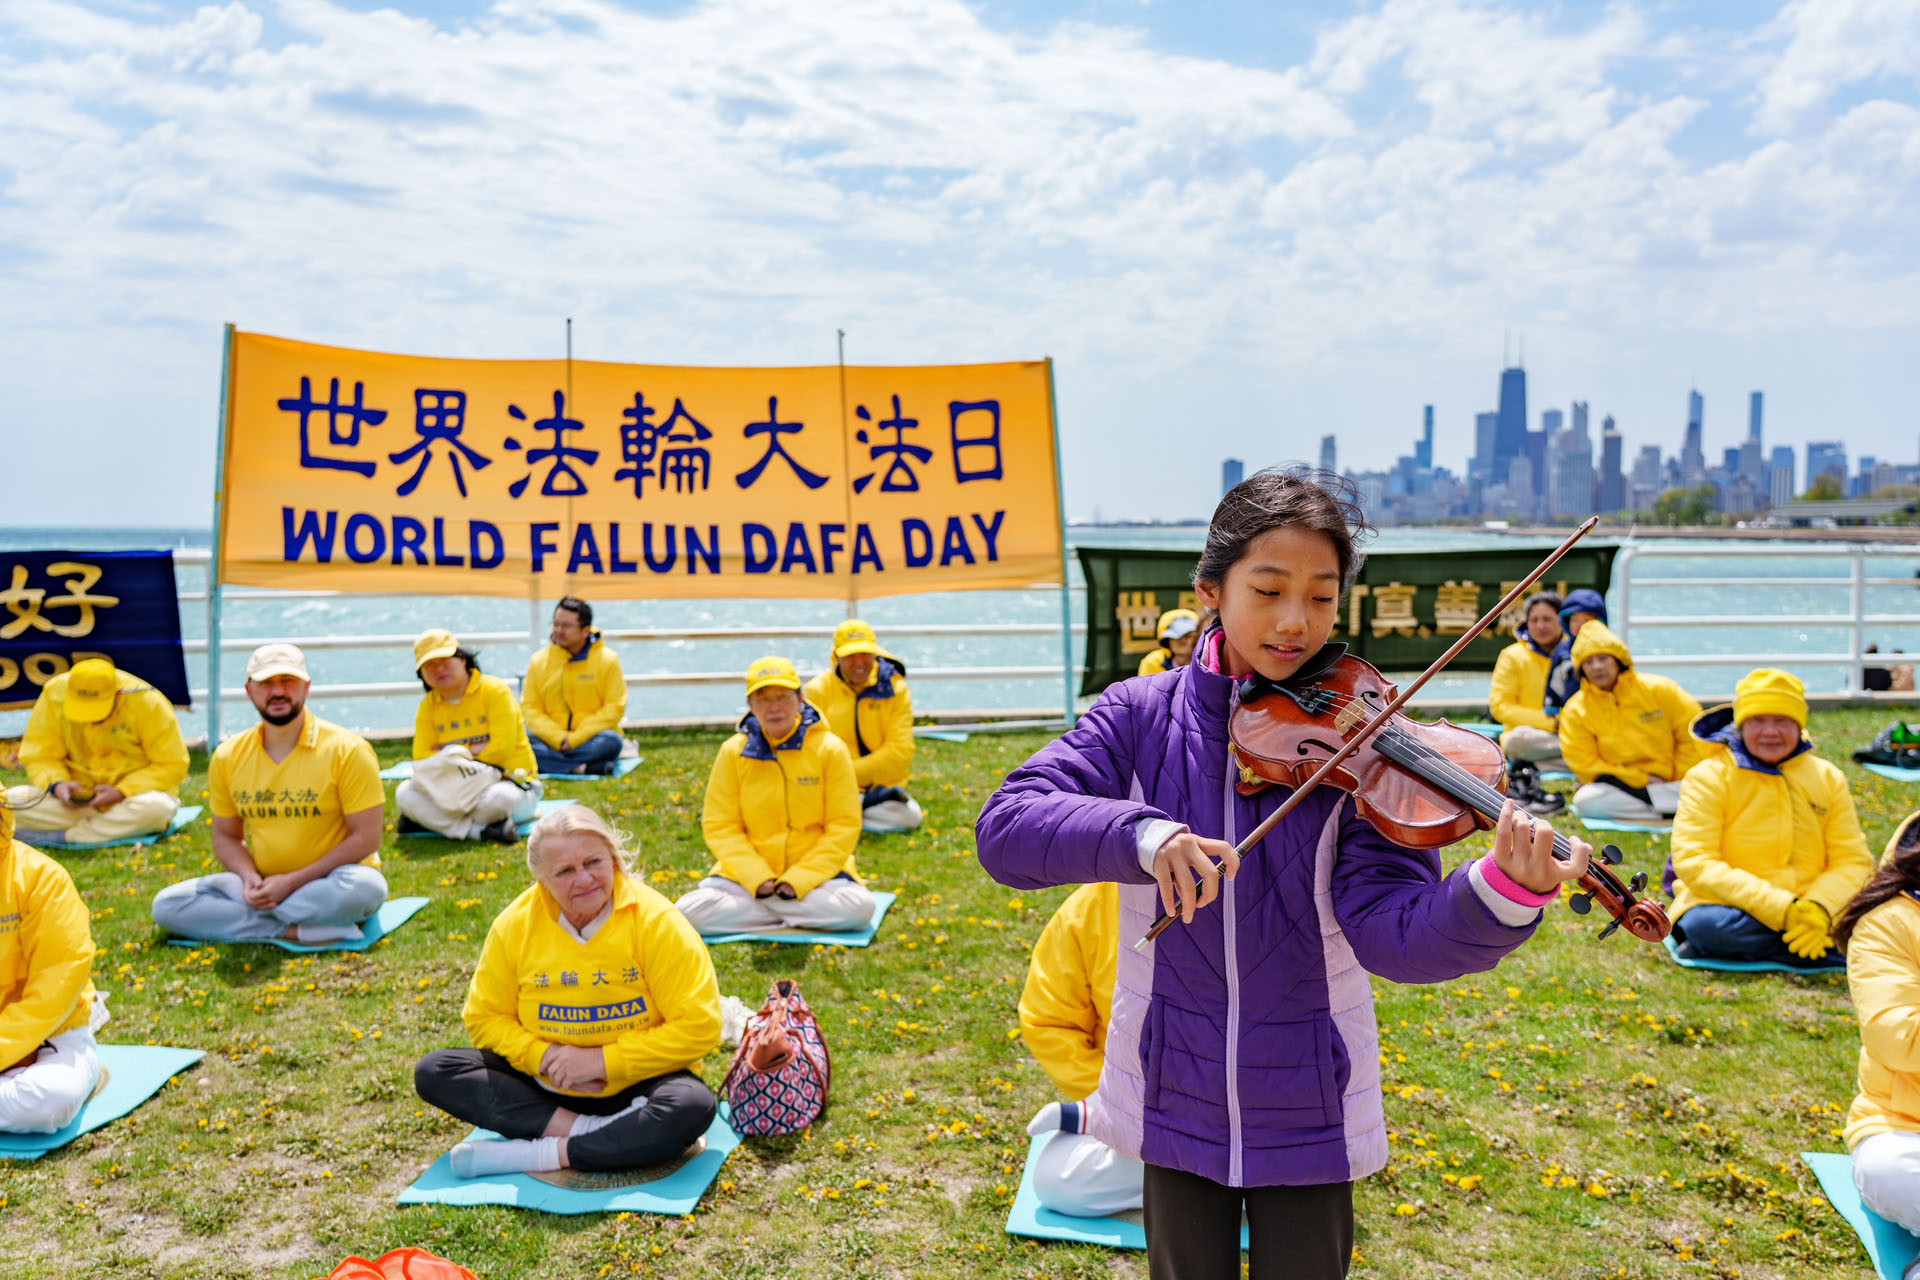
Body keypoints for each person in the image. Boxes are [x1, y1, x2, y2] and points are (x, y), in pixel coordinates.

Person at [975, 467, 1591, 1280]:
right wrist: (1144, 836)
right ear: (1210, 590)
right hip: (1172, 1083)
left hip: (1311, 1099)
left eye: (1321, 597)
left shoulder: (1364, 742)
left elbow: (1393, 934)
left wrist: (1497, 895)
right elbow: (1007, 828)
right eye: (1267, 591)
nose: (1296, 622)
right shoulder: (1139, 715)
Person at [414, 805, 720, 1178]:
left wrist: (601, 1062)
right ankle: (593, 1134)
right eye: (565, 871)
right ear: (540, 878)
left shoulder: (658, 922)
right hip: (547, 1087)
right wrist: (544, 1057)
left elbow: (700, 1027)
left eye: (594, 862)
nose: (585, 879)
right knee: (436, 1070)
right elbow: (484, 1018)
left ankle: (544, 1153)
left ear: (614, 859)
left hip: (639, 1085)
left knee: (694, 1105)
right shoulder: (514, 926)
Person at [150, 644, 386, 944]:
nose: (278, 691)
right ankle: (293, 930)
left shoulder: (348, 750)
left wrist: (291, 883)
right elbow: (226, 836)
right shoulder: (228, 756)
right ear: (249, 691)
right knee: (167, 905)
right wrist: (249, 878)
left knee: (367, 888)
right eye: (266, 683)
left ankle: (254, 921)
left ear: (306, 687)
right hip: (263, 886)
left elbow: (366, 839)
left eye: (288, 681)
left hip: (330, 881)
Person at [1667, 669, 1871, 966]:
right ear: (1740, 725)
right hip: (1732, 906)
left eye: (1782, 721)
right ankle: (1823, 946)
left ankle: (1805, 938)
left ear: (1799, 725)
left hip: (1813, 904)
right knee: (1706, 926)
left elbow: (1853, 861)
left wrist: (1820, 907)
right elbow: (1694, 862)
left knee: (1882, 916)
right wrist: (1782, 910)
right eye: (1758, 721)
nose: (1770, 732)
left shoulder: (1828, 777)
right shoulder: (1707, 777)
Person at [674, 657, 876, 935]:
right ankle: (792, 914)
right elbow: (720, 826)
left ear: (800, 699)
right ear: (750, 705)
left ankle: (761, 914)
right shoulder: (733, 752)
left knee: (860, 909)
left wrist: (799, 880)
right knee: (686, 912)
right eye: (763, 699)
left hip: (818, 879)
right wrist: (758, 879)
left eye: (782, 697)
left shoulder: (830, 749)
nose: (774, 707)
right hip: (747, 881)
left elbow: (844, 826)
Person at [1019, 881, 1143, 1217]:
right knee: (1056, 1179)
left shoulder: (1255, 898)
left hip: (1239, 1115)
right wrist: (1112, 1101)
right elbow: (1050, 1021)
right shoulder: (1089, 909)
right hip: (1135, 1112)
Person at [1836, 813, 1920, 1266]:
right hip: (1905, 1129)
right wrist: (1785, 907)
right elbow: (1898, 1037)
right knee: (1888, 1171)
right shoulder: (1888, 924)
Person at [0, 793, 108, 1132]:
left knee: (51, 1099)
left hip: (52, 1033)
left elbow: (53, 996)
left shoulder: (42, 880)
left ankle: (81, 1076)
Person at [5, 658, 188, 846]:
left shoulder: (147, 701)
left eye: (97, 712)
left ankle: (65, 837)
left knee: (157, 809)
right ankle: (100, 830)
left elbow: (171, 765)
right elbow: (40, 756)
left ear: (118, 694)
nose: (89, 719)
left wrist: (122, 791)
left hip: (131, 800)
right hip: (73, 804)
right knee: (9, 800)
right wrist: (58, 785)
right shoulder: (54, 694)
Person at [397, 630, 541, 844]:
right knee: (404, 793)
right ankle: (480, 831)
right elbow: (421, 759)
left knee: (499, 800)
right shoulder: (428, 706)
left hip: (504, 783)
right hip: (452, 789)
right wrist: (472, 750)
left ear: (463, 659)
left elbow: (501, 750)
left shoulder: (494, 691)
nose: (439, 669)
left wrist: (449, 754)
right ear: (421, 674)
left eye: (445, 660)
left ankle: (432, 821)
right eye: (430, 665)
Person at [1558, 620, 1707, 824]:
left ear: (1619, 660)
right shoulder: (1575, 709)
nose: (1597, 667)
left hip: (1672, 782)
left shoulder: (1659, 689)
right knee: (1586, 800)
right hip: (1624, 787)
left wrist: (1675, 776)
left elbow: (1691, 734)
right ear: (1581, 669)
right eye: (1589, 662)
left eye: (1603, 658)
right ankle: (1672, 809)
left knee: (1705, 787)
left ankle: (1664, 807)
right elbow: (1585, 764)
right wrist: (1641, 780)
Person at [803, 619, 922, 832]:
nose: (859, 663)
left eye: (865, 654)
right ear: (836, 656)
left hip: (871, 789)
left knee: (911, 816)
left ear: (875, 653)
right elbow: (809, 755)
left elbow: (899, 756)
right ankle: (848, 815)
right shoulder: (815, 691)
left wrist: (842, 774)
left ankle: (840, 817)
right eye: (850, 655)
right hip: (831, 788)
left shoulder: (896, 689)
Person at [522, 597, 629, 777]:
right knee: (521, 742)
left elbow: (615, 707)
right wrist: (558, 738)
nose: (558, 631)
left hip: (589, 739)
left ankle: (556, 764)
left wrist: (574, 739)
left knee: (611, 742)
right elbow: (530, 708)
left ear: (585, 630)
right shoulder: (538, 661)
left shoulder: (608, 660)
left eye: (566, 626)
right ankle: (580, 768)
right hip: (550, 741)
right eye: (555, 624)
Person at [1488, 591, 1565, 770]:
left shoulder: (1575, 652)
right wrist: (1551, 723)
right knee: (1515, 741)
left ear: (1561, 620)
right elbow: (1500, 707)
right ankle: (1585, 758)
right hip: (1532, 736)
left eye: (1547, 619)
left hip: (1572, 730)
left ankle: (1540, 764)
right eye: (1534, 620)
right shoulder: (1512, 656)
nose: (1540, 626)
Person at [1543, 587, 1608, 712]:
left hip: (1601, 710)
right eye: (1575, 620)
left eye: (1586, 620)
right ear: (1566, 621)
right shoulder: (1563, 650)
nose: (1580, 625)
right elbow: (1554, 681)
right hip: (1570, 711)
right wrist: (1552, 706)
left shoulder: (1608, 647)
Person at [1137, 609, 1201, 677]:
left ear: (1197, 637)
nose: (1182, 640)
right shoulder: (1153, 662)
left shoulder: (1205, 661)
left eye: (1188, 635)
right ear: (1167, 640)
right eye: (1175, 636)